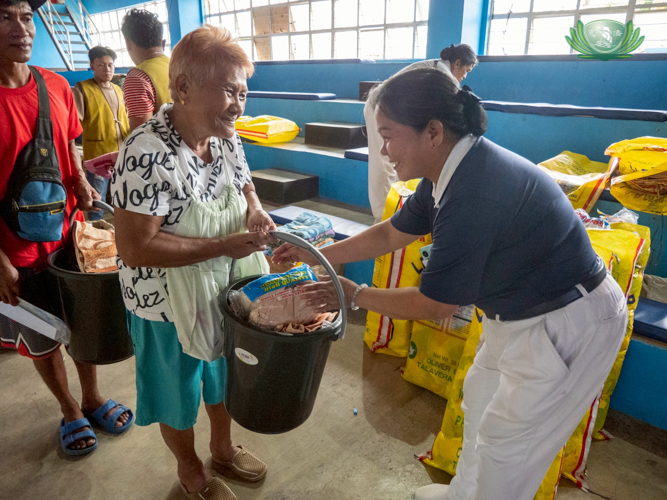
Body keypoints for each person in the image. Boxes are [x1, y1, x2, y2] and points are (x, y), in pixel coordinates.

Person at [274, 68, 628, 500]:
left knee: (509, 451)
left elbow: (436, 303)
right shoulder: (448, 172)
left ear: (433, 132)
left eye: (388, 135)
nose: (382, 150)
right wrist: (318, 255)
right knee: (479, 404)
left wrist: (355, 295)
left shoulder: (475, 192)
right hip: (515, 316)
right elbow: (390, 234)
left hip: (566, 323)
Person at [110, 25, 275, 500]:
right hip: (162, 304)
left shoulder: (225, 137)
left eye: (242, 92)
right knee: (178, 392)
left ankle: (221, 449)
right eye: (228, 91)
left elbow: (244, 185)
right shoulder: (146, 151)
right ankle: (191, 471)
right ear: (182, 88)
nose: (238, 104)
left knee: (219, 373)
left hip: (216, 288)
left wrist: (256, 209)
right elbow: (136, 248)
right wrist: (224, 246)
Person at [0, 0, 132, 457]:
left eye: (25, 15)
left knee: (82, 322)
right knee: (42, 333)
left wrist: (79, 182)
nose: (22, 28)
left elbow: (70, 145)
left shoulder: (55, 85)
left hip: (71, 235)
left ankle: (92, 396)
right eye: (4, 16)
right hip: (14, 250)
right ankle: (70, 408)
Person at [366, 44, 478, 222]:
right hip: (382, 109)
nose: (465, 76)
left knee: (393, 164)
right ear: (457, 63)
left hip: (393, 110)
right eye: (467, 70)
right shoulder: (442, 76)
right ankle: (383, 215)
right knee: (385, 163)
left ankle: (391, 212)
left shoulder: (437, 69)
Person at [72, 45, 130, 221]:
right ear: (92, 66)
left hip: (122, 153)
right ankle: (95, 233)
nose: (107, 69)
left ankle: (122, 231)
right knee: (97, 198)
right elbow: (74, 122)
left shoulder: (118, 89)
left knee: (124, 197)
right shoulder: (82, 89)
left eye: (110, 65)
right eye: (101, 65)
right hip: (98, 155)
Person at [121, 8, 171, 132]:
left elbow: (141, 137)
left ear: (128, 43)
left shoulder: (138, 77)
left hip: (163, 150)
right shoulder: (180, 65)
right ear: (163, 43)